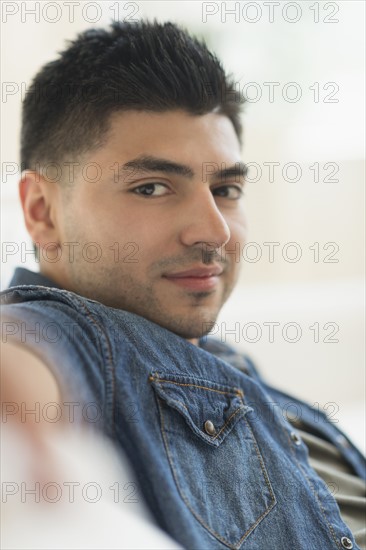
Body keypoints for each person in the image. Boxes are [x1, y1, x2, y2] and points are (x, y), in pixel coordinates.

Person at [1, 19, 365, 550]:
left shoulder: (229, 370)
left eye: (226, 188)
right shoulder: (68, 333)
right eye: (151, 187)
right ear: (43, 212)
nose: (213, 230)